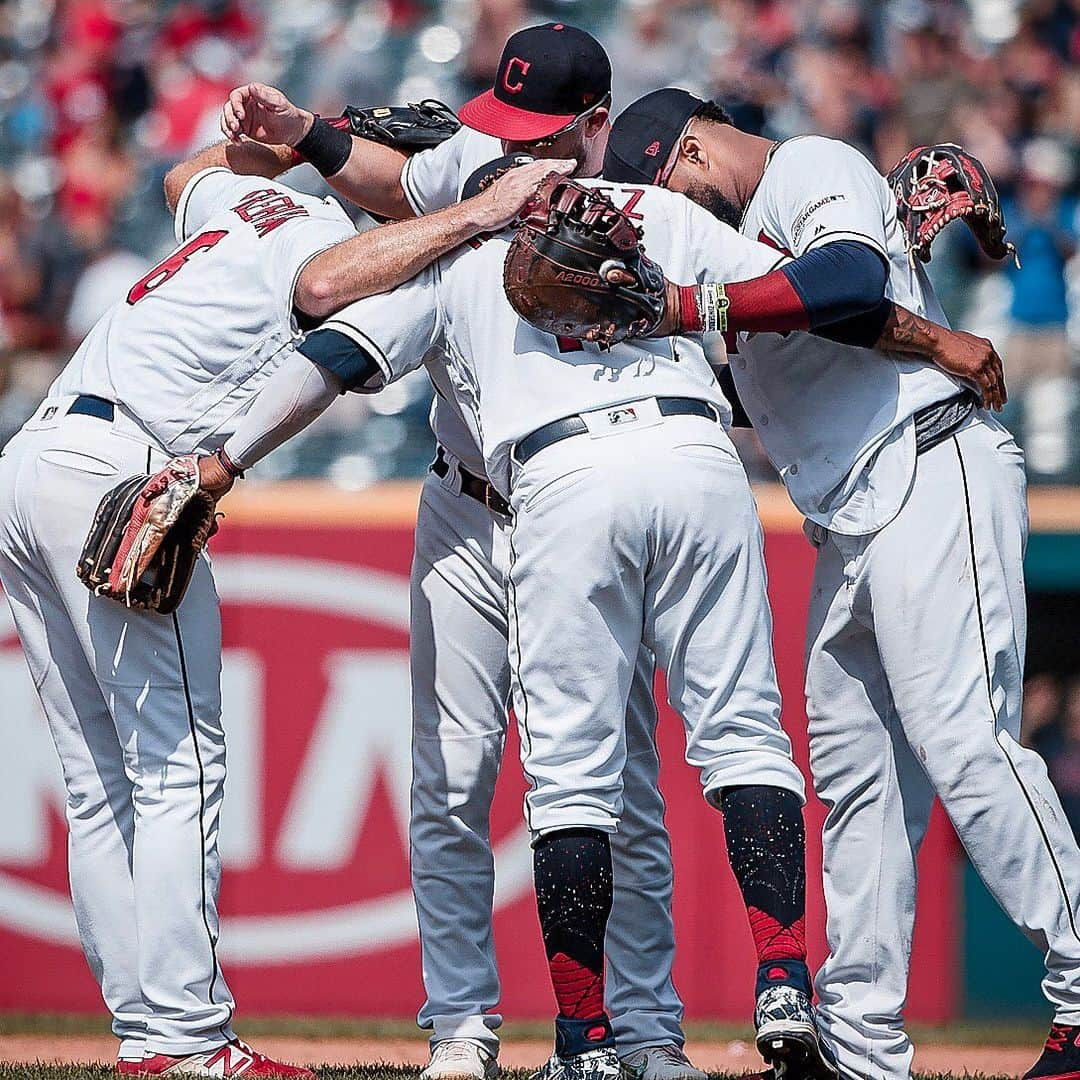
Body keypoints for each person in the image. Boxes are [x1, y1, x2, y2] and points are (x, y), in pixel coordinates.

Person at [196, 161, 838, 1080]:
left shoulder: (460, 258)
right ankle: (780, 976)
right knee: (741, 741)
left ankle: (595, 1040)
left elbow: (332, 353)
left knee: (576, 780)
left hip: (559, 487)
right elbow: (803, 294)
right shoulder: (655, 210)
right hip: (691, 455)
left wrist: (220, 460)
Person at [0, 130, 554, 1077]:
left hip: (33, 457)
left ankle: (144, 1036)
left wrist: (264, 143)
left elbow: (185, 176)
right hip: (127, 463)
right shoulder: (316, 232)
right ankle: (187, 1040)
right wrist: (471, 212)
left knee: (99, 783)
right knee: (180, 768)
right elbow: (329, 287)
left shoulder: (253, 206)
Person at [220, 26, 704, 1080]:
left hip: (586, 510)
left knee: (616, 787)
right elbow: (399, 181)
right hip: (469, 504)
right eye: (505, 122)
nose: (515, 147)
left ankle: (648, 1029)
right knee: (448, 778)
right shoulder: (475, 166)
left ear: (595, 127)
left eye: (542, 132)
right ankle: (461, 1028)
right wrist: (307, 134)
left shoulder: (645, 210)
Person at [604, 87, 1080, 1080]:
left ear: (688, 154)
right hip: (852, 518)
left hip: (931, 461)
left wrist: (695, 306)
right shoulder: (732, 249)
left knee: (966, 742)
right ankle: (864, 1047)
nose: (670, 217)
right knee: (859, 782)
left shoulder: (804, 164)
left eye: (665, 190)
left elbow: (851, 281)